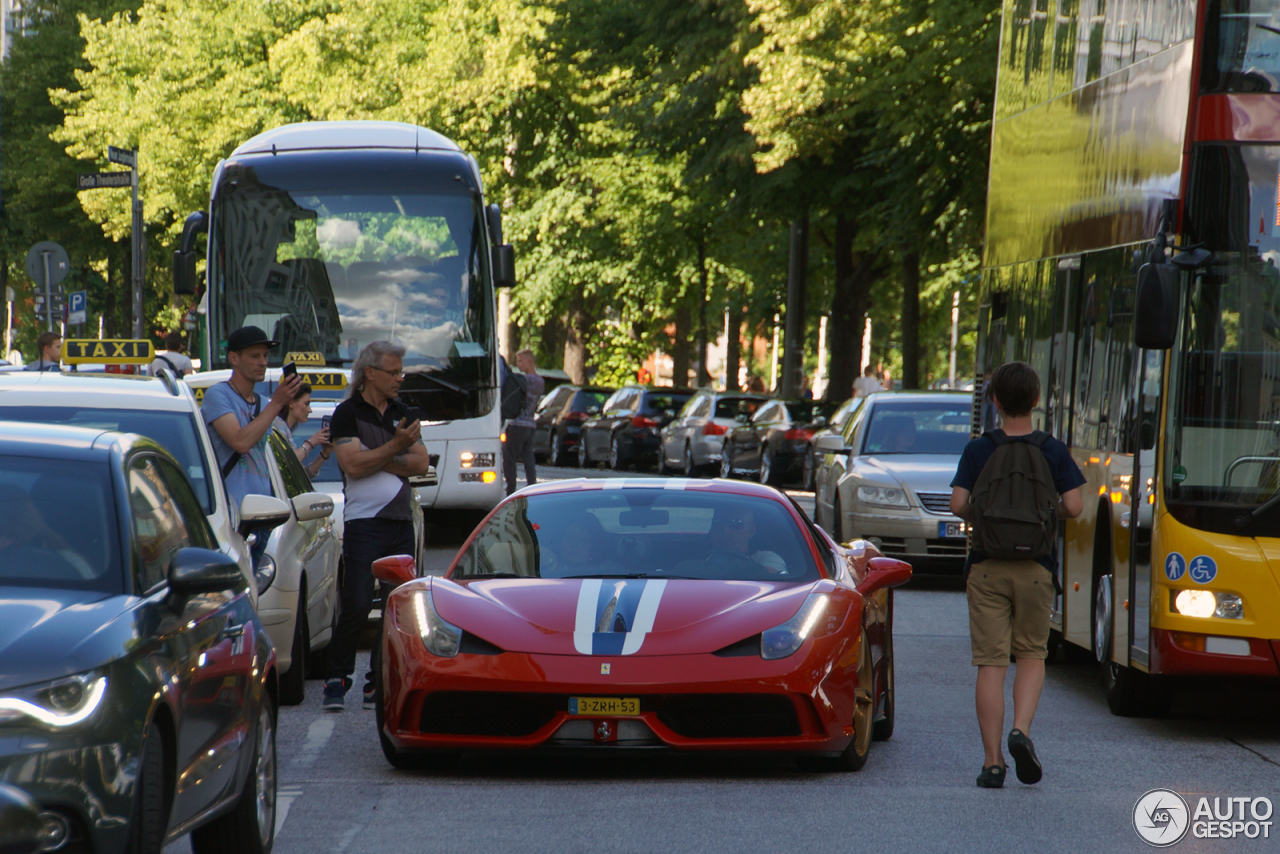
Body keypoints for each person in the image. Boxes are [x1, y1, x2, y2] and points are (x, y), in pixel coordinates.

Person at [948, 361, 1085, 790]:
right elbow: (1076, 507)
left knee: (991, 663)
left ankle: (992, 764)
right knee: (1031, 655)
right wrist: (1044, 515)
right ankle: (1020, 731)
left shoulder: (979, 449)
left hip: (987, 568)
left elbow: (956, 505)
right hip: (1035, 570)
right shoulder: (1052, 449)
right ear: (1037, 401)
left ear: (995, 402)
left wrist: (986, 518)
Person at [323, 340, 431, 712]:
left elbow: (420, 464)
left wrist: (377, 456)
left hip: (400, 520)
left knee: (394, 606)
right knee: (354, 602)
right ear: (370, 373)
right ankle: (337, 678)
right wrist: (395, 447)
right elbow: (352, 466)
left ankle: (377, 680)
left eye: (402, 371)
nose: (400, 378)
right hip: (363, 521)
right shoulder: (346, 413)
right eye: (394, 371)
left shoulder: (404, 412)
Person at [201, 326, 302, 568]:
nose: (263, 363)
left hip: (262, 515)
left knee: (254, 596)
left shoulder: (264, 403)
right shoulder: (218, 395)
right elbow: (240, 442)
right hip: (231, 517)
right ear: (234, 358)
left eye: (265, 356)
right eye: (254, 356)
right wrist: (277, 403)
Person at [503, 349, 544, 495]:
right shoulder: (540, 381)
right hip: (530, 425)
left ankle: (511, 490)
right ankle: (532, 486)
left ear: (529, 361)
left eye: (520, 361)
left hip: (518, 424)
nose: (518, 364)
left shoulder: (526, 380)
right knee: (528, 459)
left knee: (509, 457)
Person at [274, 382, 333, 478]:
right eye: (306, 404)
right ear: (291, 403)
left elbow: (303, 476)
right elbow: (288, 464)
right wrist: (310, 443)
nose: (310, 410)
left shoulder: (285, 429)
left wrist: (324, 454)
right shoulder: (277, 425)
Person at [704, 506, 787, 574]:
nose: (725, 530)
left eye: (735, 523)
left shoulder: (766, 558)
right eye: (718, 522)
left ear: (751, 530)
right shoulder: (692, 554)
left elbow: (772, 576)